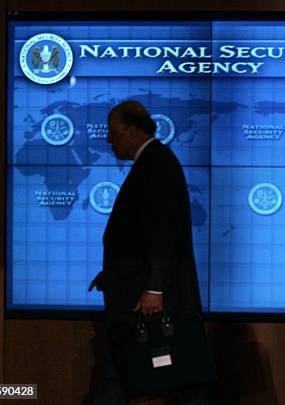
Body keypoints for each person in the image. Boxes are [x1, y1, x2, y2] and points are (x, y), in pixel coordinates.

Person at [88, 101, 209, 404]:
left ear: (132, 130)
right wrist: (114, 271)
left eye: (113, 132)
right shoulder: (152, 162)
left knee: (175, 376)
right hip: (136, 289)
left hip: (151, 298)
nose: (108, 140)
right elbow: (141, 234)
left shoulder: (157, 164)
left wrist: (154, 287)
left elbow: (161, 231)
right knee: (169, 377)